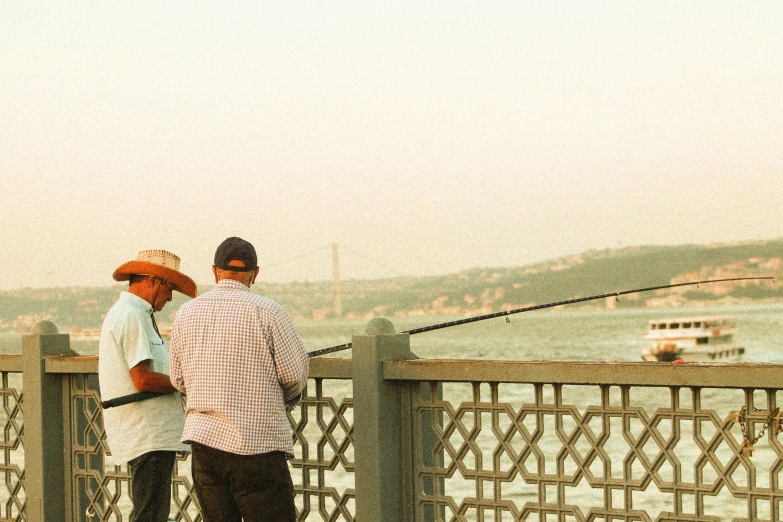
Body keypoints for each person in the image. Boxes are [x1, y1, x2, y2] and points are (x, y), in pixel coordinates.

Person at [169, 236, 309, 522]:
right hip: (257, 446)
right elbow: (294, 375)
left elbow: (178, 379)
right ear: (255, 274)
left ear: (214, 271)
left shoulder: (186, 313)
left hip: (205, 446)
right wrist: (283, 398)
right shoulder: (268, 311)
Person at [99, 249, 197, 522]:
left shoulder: (134, 313)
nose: (171, 296)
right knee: (151, 514)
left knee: (148, 512)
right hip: (148, 434)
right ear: (153, 280)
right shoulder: (132, 316)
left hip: (148, 434)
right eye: (169, 287)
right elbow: (142, 380)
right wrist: (187, 383)